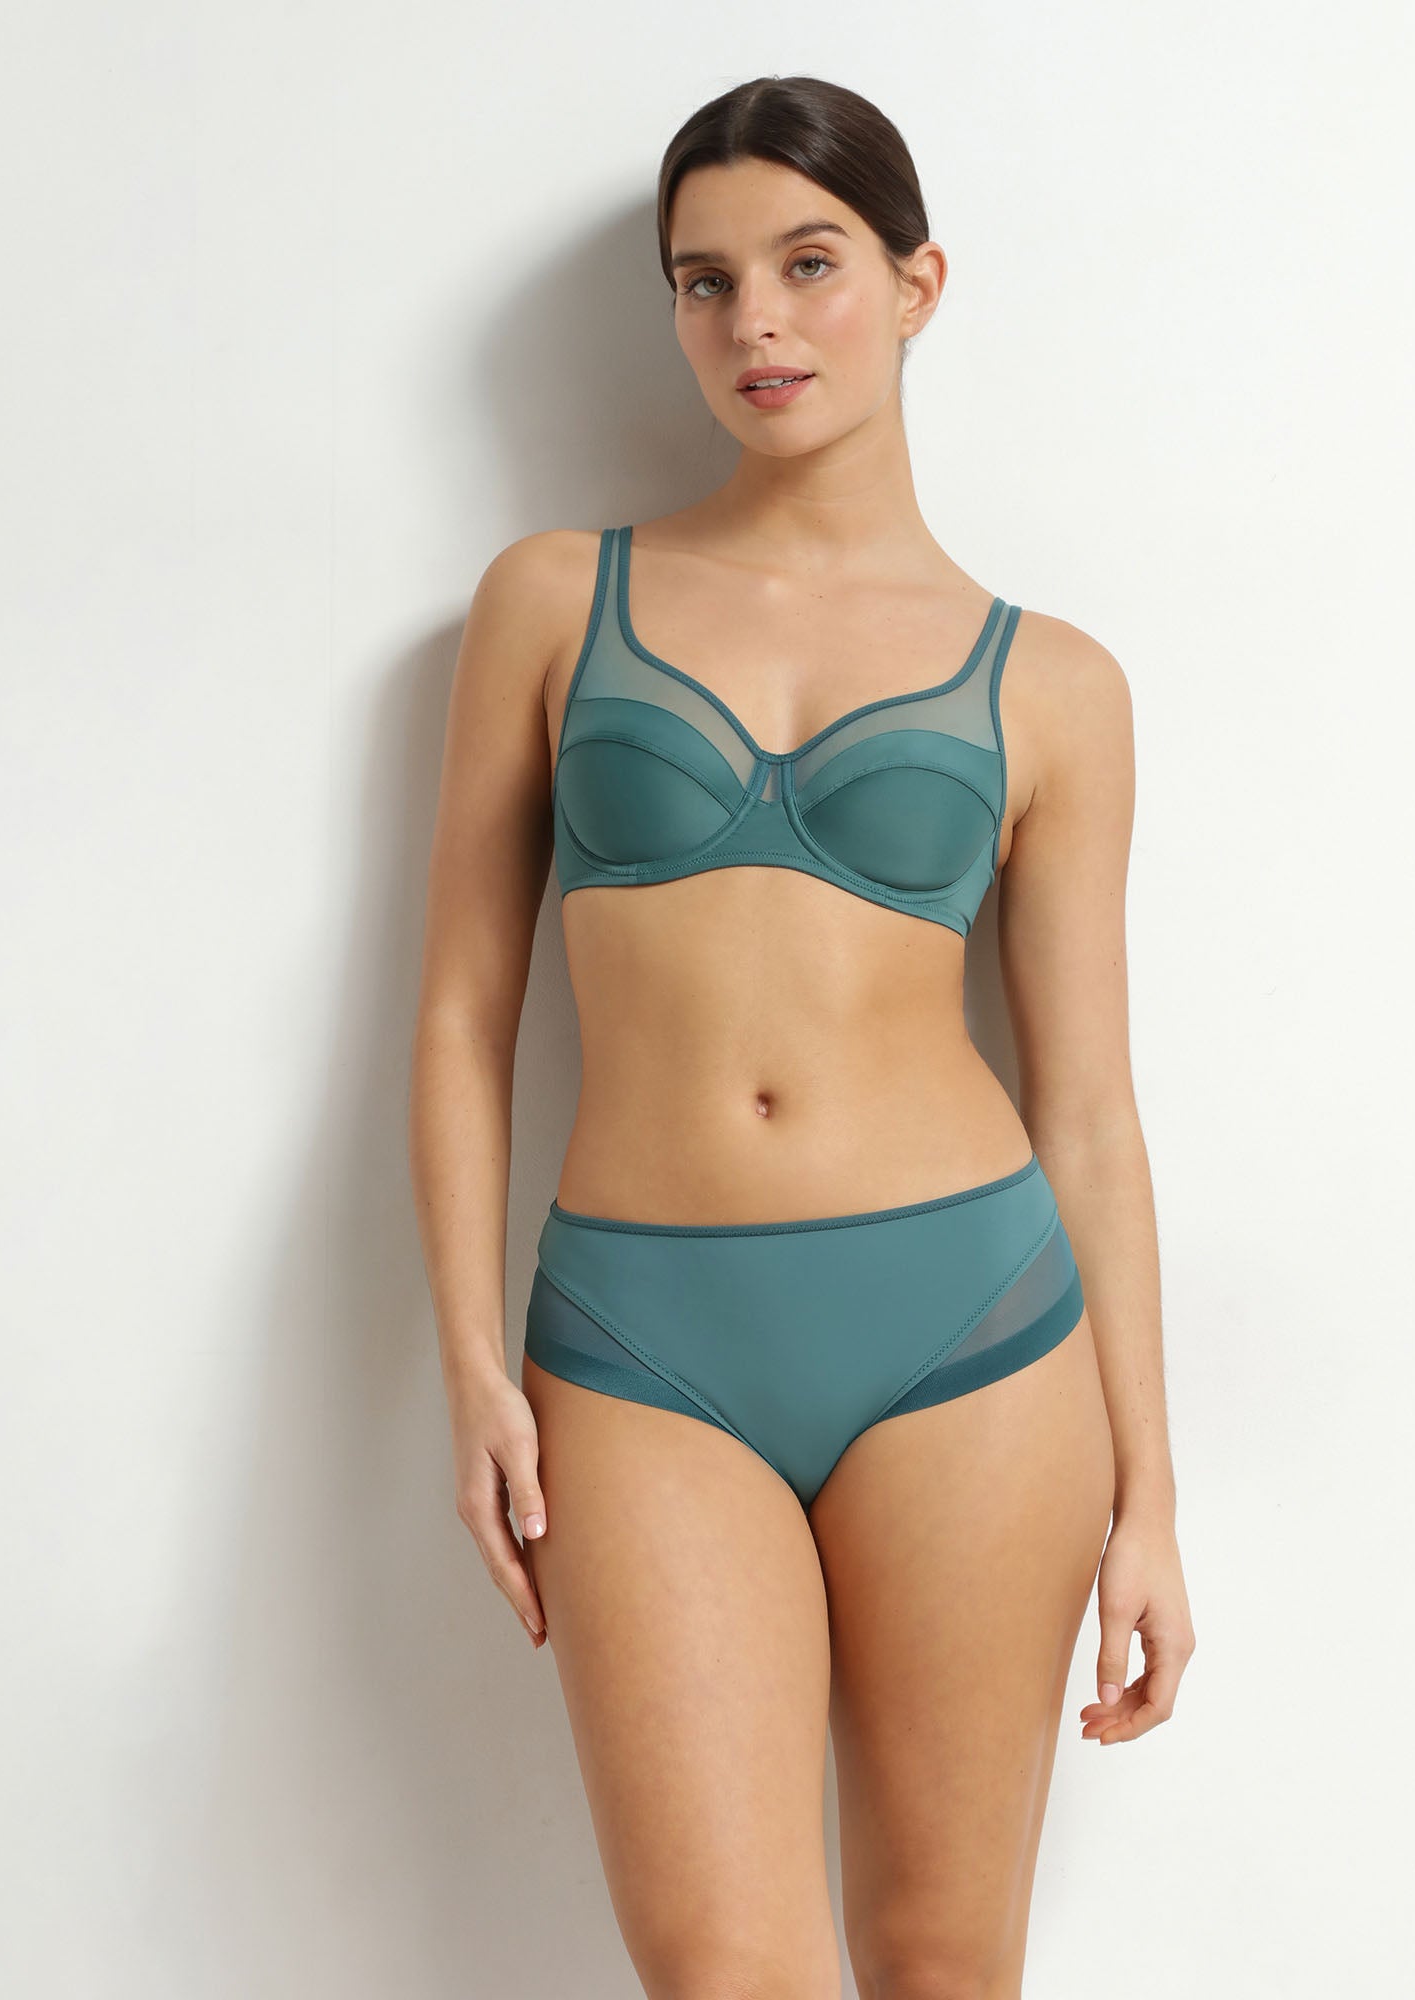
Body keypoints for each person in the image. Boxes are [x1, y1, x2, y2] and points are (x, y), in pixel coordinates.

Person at [408, 72, 1194, 1998]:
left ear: (919, 285)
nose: (755, 321)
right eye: (706, 281)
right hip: (638, 1343)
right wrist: (471, 1368)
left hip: (973, 1333)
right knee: (724, 1969)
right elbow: (460, 1014)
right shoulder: (554, 601)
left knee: (943, 1961)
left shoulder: (1056, 684)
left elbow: (1091, 1111)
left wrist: (1153, 1499)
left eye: (809, 264)